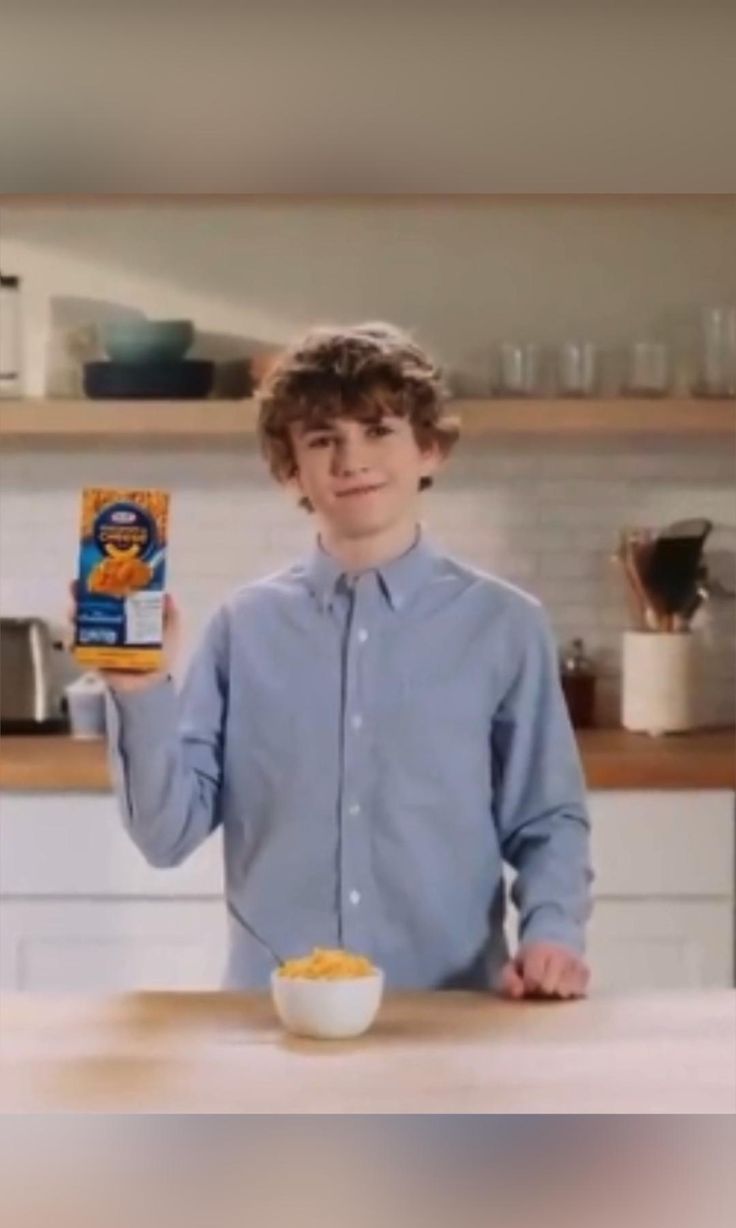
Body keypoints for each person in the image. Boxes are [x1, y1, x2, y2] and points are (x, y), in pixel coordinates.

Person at [93, 321, 593, 998]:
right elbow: (166, 836)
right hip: (273, 1018)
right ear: (289, 468)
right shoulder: (243, 628)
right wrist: (142, 690)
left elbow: (546, 820)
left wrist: (552, 932)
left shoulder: (505, 625)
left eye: (378, 430)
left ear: (431, 450)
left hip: (452, 1010)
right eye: (323, 439)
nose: (351, 460)